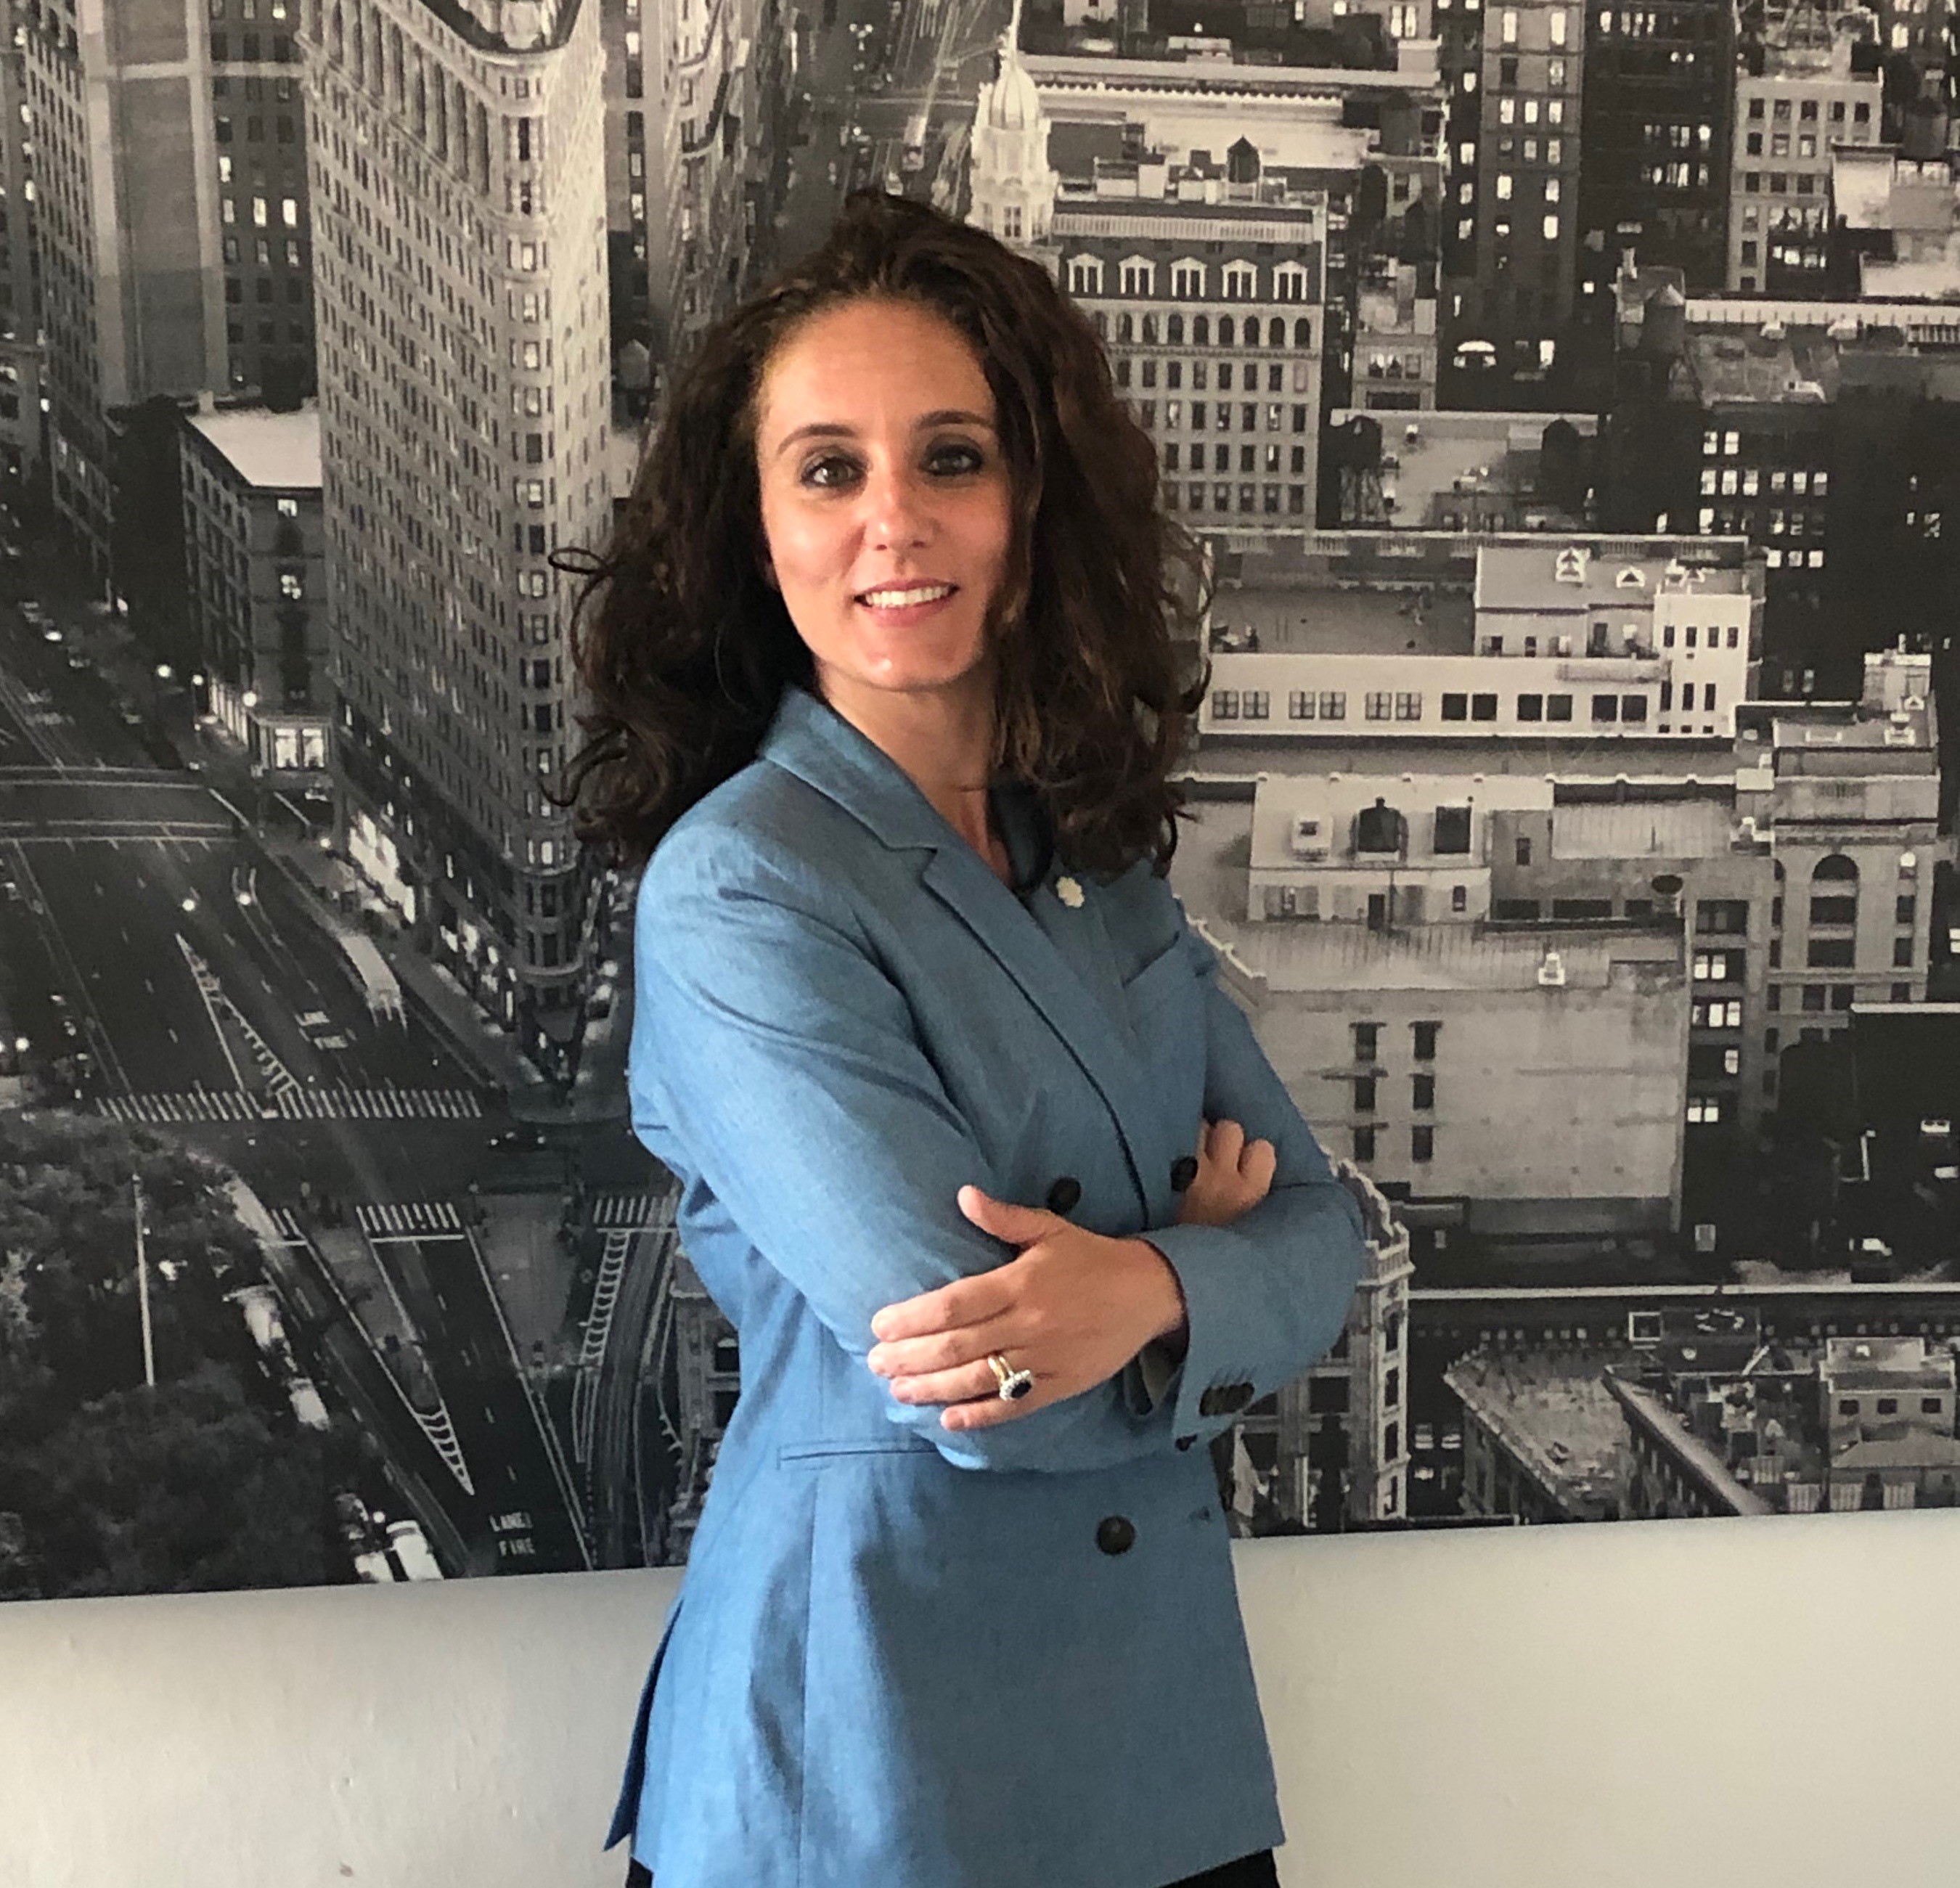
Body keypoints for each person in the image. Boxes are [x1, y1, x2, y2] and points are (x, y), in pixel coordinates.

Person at [560, 191, 1369, 1888]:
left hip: (1163, 1753)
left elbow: (1325, 1235)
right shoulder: (740, 888)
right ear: (755, 529)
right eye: (827, 469)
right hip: (868, 1760)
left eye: (952, 457)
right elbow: (985, 1384)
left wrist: (1141, 1289)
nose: (893, 522)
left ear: (1033, 505)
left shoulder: (1098, 860)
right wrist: (1206, 1275)